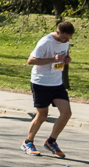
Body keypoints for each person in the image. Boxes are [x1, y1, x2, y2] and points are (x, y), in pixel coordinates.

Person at [23, 21, 75, 157]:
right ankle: (28, 142)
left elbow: (62, 55)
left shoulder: (66, 41)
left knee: (66, 113)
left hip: (57, 83)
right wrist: (53, 59)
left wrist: (66, 59)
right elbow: (31, 61)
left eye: (69, 38)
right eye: (65, 37)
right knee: (42, 115)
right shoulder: (45, 42)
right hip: (41, 82)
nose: (66, 40)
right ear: (58, 32)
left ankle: (51, 141)